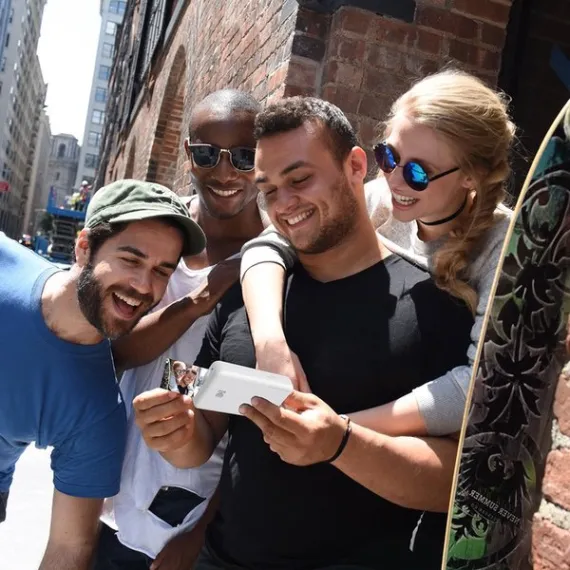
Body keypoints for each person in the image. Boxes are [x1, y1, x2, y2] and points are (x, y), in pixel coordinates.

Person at [133, 97, 475, 569]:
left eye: (299, 180)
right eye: (268, 190)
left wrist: (341, 444)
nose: (283, 204)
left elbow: (457, 483)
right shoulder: (249, 295)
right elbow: (206, 438)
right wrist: (177, 434)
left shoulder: (434, 303)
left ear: (355, 167)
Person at [239, 69, 515, 437]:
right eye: (388, 157)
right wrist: (270, 342)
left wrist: (339, 430)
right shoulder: (380, 201)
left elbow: (478, 387)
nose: (394, 180)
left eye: (418, 173)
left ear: (470, 175)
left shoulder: (505, 248)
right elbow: (267, 245)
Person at [94, 89, 267, 570]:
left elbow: (256, 416)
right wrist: (201, 299)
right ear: (188, 153)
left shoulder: (275, 260)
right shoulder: (157, 232)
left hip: (183, 517)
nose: (226, 173)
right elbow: (117, 350)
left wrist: (205, 529)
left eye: (245, 156)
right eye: (208, 154)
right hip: (102, 491)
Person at [0, 179, 204, 570]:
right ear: (83, 248)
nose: (143, 286)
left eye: (162, 271)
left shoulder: (97, 412)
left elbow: (69, 547)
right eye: (131, 260)